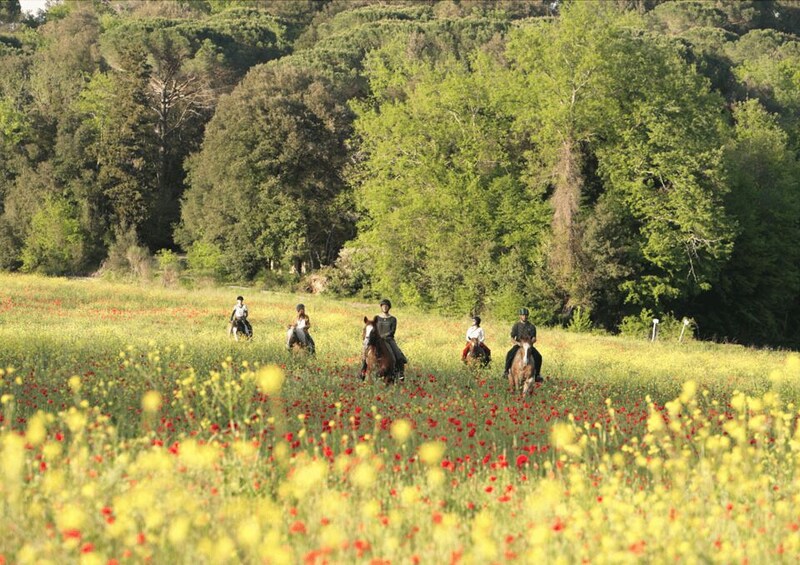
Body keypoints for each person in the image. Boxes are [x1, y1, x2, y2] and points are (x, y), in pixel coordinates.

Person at [361, 298, 408, 381]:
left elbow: (392, 331)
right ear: (381, 307)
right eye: (383, 306)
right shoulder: (377, 318)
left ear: (389, 307)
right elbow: (373, 328)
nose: (385, 307)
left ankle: (400, 373)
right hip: (377, 339)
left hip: (389, 339)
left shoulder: (393, 319)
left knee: (399, 355)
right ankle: (363, 371)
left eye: (386, 306)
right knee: (365, 353)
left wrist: (384, 336)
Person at [503, 308, 542, 381]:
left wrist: (530, 343)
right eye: (523, 315)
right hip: (519, 345)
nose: (524, 317)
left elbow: (534, 338)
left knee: (538, 356)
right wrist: (517, 343)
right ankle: (506, 371)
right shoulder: (516, 325)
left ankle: (537, 374)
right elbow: (512, 337)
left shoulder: (531, 326)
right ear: (520, 316)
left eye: (526, 315)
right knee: (509, 354)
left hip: (528, 346)